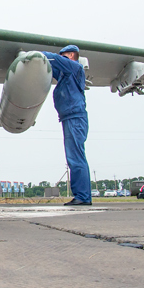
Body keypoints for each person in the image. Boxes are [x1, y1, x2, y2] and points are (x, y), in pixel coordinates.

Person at [41, 44, 91, 206]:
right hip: (70, 118)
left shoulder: (73, 66)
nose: (61, 58)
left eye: (63, 56)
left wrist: (32, 55)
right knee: (74, 157)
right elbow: (52, 68)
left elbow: (51, 59)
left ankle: (83, 197)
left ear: (70, 55)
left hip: (75, 118)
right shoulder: (66, 74)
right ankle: (82, 195)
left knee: (76, 158)